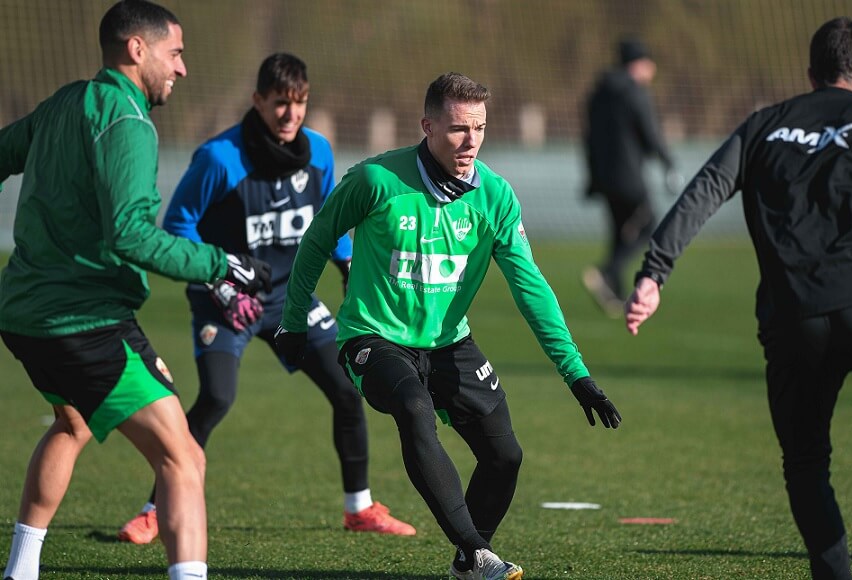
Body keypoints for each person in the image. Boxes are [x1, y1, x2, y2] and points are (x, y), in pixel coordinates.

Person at [275, 72, 622, 580]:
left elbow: (532, 289)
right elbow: (317, 240)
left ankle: (466, 561)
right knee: (414, 408)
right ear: (428, 125)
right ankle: (478, 553)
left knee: (505, 456)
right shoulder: (376, 180)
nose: (471, 140)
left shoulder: (495, 198)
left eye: (479, 127)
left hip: (449, 342)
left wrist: (576, 374)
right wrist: (293, 323)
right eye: (459, 128)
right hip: (373, 338)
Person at [0, 1, 272, 579]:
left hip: (24, 314)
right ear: (137, 50)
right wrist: (218, 264)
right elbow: (130, 235)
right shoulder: (128, 123)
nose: (183, 69)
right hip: (83, 320)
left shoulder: (64, 102)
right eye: (175, 53)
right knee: (183, 457)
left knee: (71, 424)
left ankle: (20, 570)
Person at [625, 17, 852, 580]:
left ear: (810, 74)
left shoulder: (763, 127)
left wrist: (655, 272)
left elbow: (703, 190)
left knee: (805, 464)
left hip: (792, 317)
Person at [116, 53, 416, 545]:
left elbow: (328, 216)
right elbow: (177, 226)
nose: (290, 115)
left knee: (347, 388)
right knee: (215, 398)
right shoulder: (219, 158)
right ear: (257, 101)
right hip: (225, 298)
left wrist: (346, 264)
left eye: (299, 103)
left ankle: (359, 508)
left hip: (286, 300)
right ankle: (154, 509)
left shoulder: (317, 151)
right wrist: (218, 284)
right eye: (280, 103)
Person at [582, 36, 677, 317]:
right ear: (639, 64)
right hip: (629, 175)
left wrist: (592, 176)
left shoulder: (599, 92)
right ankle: (606, 271)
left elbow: (589, 137)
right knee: (648, 224)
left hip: (603, 175)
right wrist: (669, 164)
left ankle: (614, 293)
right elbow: (651, 133)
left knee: (619, 230)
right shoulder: (635, 92)